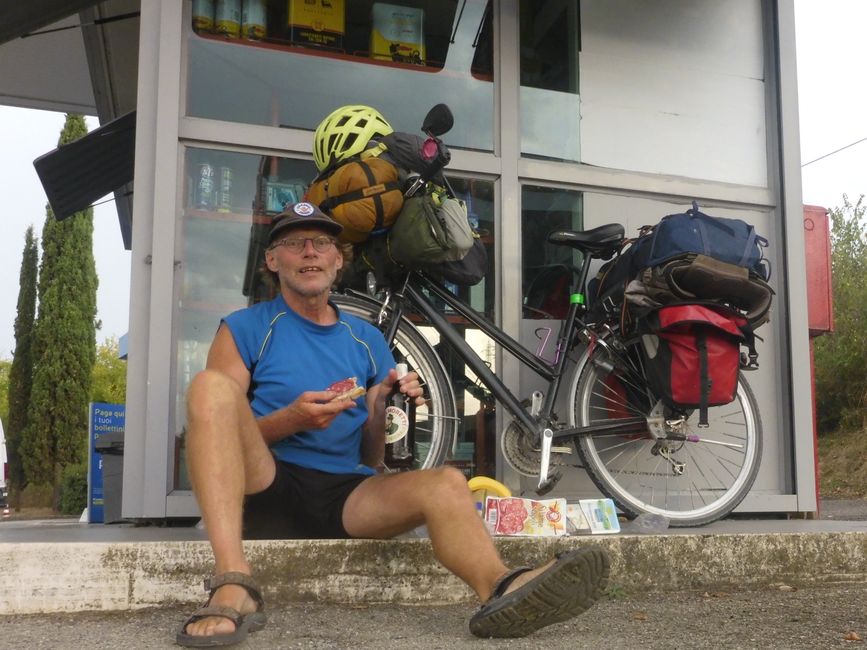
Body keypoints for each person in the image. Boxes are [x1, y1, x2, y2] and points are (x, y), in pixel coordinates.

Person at [177, 202, 609, 647]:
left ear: (338, 259)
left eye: (322, 242)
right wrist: (292, 420)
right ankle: (233, 581)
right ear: (273, 260)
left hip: (345, 494)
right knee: (210, 387)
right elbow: (217, 429)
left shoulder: (366, 340)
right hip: (266, 484)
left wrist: (380, 406)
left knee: (444, 483)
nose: (310, 252)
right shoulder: (246, 327)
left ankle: (500, 586)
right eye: (293, 243)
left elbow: (372, 458)